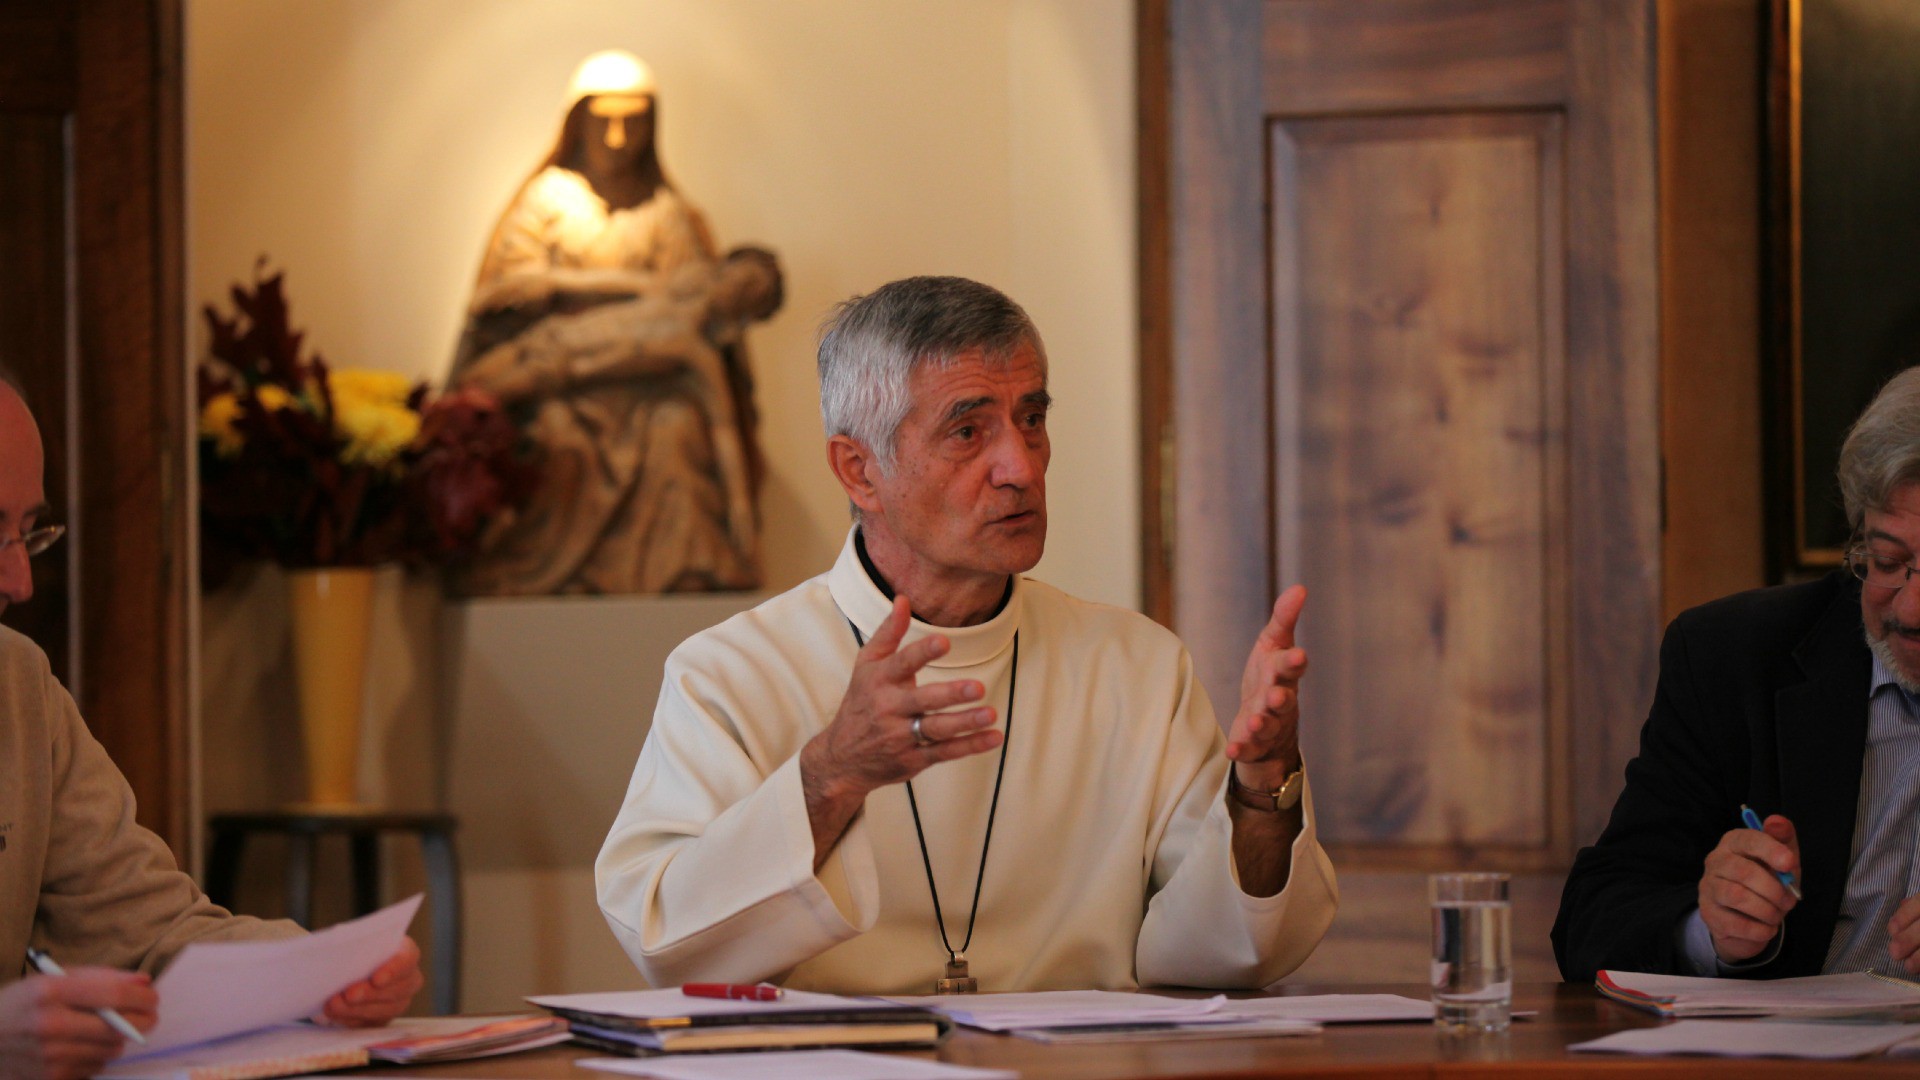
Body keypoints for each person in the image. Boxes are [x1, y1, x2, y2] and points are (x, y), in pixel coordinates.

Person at [597, 276, 1336, 995]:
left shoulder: (1136, 666)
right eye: (968, 430)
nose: (1019, 467)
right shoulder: (730, 673)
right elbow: (667, 943)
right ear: (859, 471)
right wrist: (832, 773)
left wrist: (1263, 785)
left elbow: (1226, 949)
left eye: (1033, 420)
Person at [0, 376, 422, 1080]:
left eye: (26, 534)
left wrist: (325, 971)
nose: (20, 582)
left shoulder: (18, 686)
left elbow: (152, 934)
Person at [1555, 365, 1920, 981]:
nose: (1909, 608)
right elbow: (1594, 917)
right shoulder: (1736, 657)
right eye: (1887, 561)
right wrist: (1712, 929)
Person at [448, 50, 781, 596]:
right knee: (553, 435)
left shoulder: (667, 215)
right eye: (605, 120)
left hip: (652, 390)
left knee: (678, 431)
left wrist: (742, 508)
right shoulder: (545, 200)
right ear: (578, 122)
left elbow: (709, 342)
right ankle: (537, 572)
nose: (619, 136)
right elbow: (501, 296)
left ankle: (686, 574)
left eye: (635, 121)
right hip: (561, 376)